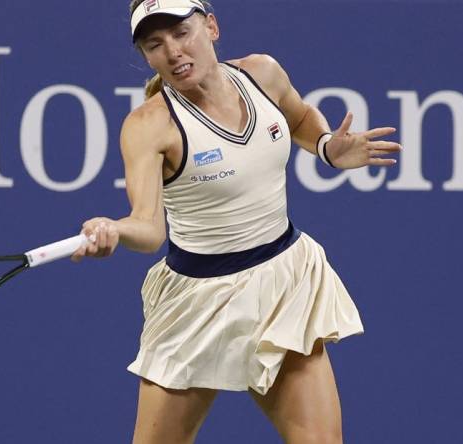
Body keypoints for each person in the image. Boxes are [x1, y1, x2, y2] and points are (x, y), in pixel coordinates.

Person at [71, 1, 401, 442]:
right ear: (146, 56)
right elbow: (148, 228)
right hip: (197, 303)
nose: (172, 51)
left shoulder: (262, 73)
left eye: (182, 33)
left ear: (211, 27)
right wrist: (115, 230)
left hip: (284, 285)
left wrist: (325, 146)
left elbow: (298, 115)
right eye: (155, 44)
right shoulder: (148, 125)